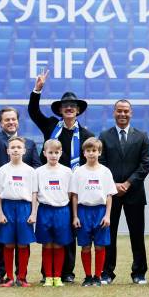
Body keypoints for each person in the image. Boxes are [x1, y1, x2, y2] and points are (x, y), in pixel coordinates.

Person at [29, 69, 93, 283]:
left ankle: (67, 272)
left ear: (77, 111)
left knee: (69, 233)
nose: (69, 109)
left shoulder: (86, 135)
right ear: (60, 110)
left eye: (73, 107)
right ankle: (47, 273)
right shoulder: (50, 126)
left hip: (73, 188)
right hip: (49, 185)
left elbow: (89, 161)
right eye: (66, 106)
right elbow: (33, 112)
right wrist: (37, 89)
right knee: (48, 234)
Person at [0, 106, 41, 284]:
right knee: (2, 240)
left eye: (13, 119)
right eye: (7, 120)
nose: (11, 122)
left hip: (23, 201)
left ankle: (22, 275)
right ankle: (1, 273)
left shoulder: (29, 143)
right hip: (4, 201)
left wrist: (24, 180)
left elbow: (37, 166)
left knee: (22, 241)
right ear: (0, 123)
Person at [99, 100, 149, 285]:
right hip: (110, 195)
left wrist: (127, 184)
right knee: (108, 234)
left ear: (132, 113)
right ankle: (106, 273)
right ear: (114, 113)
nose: (122, 114)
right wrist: (113, 185)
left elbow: (145, 165)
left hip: (134, 193)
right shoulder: (104, 136)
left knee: (137, 234)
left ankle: (139, 273)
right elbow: (101, 164)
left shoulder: (142, 136)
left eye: (126, 111)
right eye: (119, 111)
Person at [72, 138, 117, 287]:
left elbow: (109, 195)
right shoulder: (78, 171)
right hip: (83, 211)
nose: (91, 153)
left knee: (100, 245)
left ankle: (98, 276)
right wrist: (75, 216)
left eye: (94, 150)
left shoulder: (105, 171)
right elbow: (75, 196)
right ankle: (88, 276)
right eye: (88, 150)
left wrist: (107, 215)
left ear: (99, 152)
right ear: (84, 153)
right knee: (85, 245)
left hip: (100, 210)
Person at [0, 136, 38, 287]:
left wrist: (33, 213)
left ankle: (22, 277)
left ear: (24, 151)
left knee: (23, 244)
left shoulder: (30, 171)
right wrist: (0, 212)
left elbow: (34, 193)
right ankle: (9, 277)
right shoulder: (2, 170)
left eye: (19, 147)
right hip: (7, 207)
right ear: (7, 150)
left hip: (24, 208)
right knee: (8, 244)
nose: (15, 150)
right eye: (12, 147)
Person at [34, 139, 73, 287]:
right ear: (44, 153)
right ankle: (48, 276)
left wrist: (60, 202)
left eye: (56, 152)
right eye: (50, 152)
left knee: (59, 245)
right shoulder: (38, 172)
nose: (53, 155)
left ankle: (57, 276)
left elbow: (70, 193)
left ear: (61, 153)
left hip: (62, 211)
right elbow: (35, 192)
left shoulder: (67, 171)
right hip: (45, 210)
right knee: (47, 245)